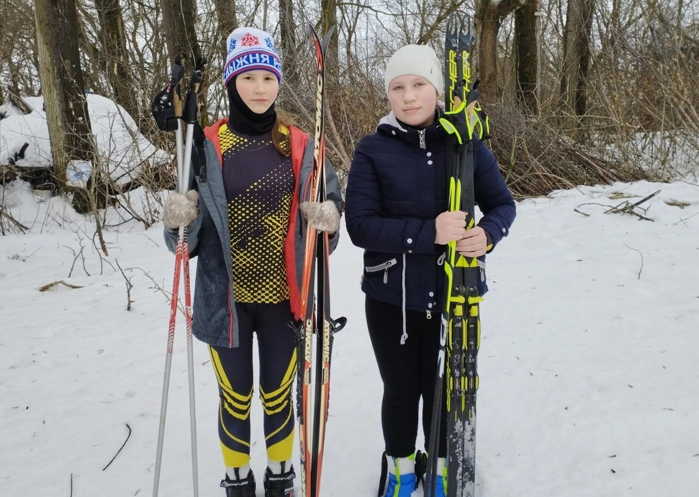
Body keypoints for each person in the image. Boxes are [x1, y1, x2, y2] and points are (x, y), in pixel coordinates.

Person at [162, 27, 342, 497]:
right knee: (235, 398)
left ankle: (280, 475)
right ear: (230, 83)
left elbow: (329, 220)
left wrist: (328, 218)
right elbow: (186, 244)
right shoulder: (206, 146)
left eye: (268, 77)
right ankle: (238, 480)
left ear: (279, 82)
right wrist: (177, 219)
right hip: (227, 301)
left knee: (278, 396)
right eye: (249, 78)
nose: (260, 88)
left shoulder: (302, 145)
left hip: (285, 298)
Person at [345, 44, 516, 497]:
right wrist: (428, 233)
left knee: (444, 389)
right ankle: (401, 470)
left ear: (436, 89)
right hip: (391, 299)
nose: (409, 96)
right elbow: (360, 225)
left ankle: (441, 469)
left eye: (419, 84)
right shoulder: (372, 150)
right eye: (398, 87)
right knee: (400, 390)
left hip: (453, 292)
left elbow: (502, 204)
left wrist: (489, 234)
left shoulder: (465, 146)